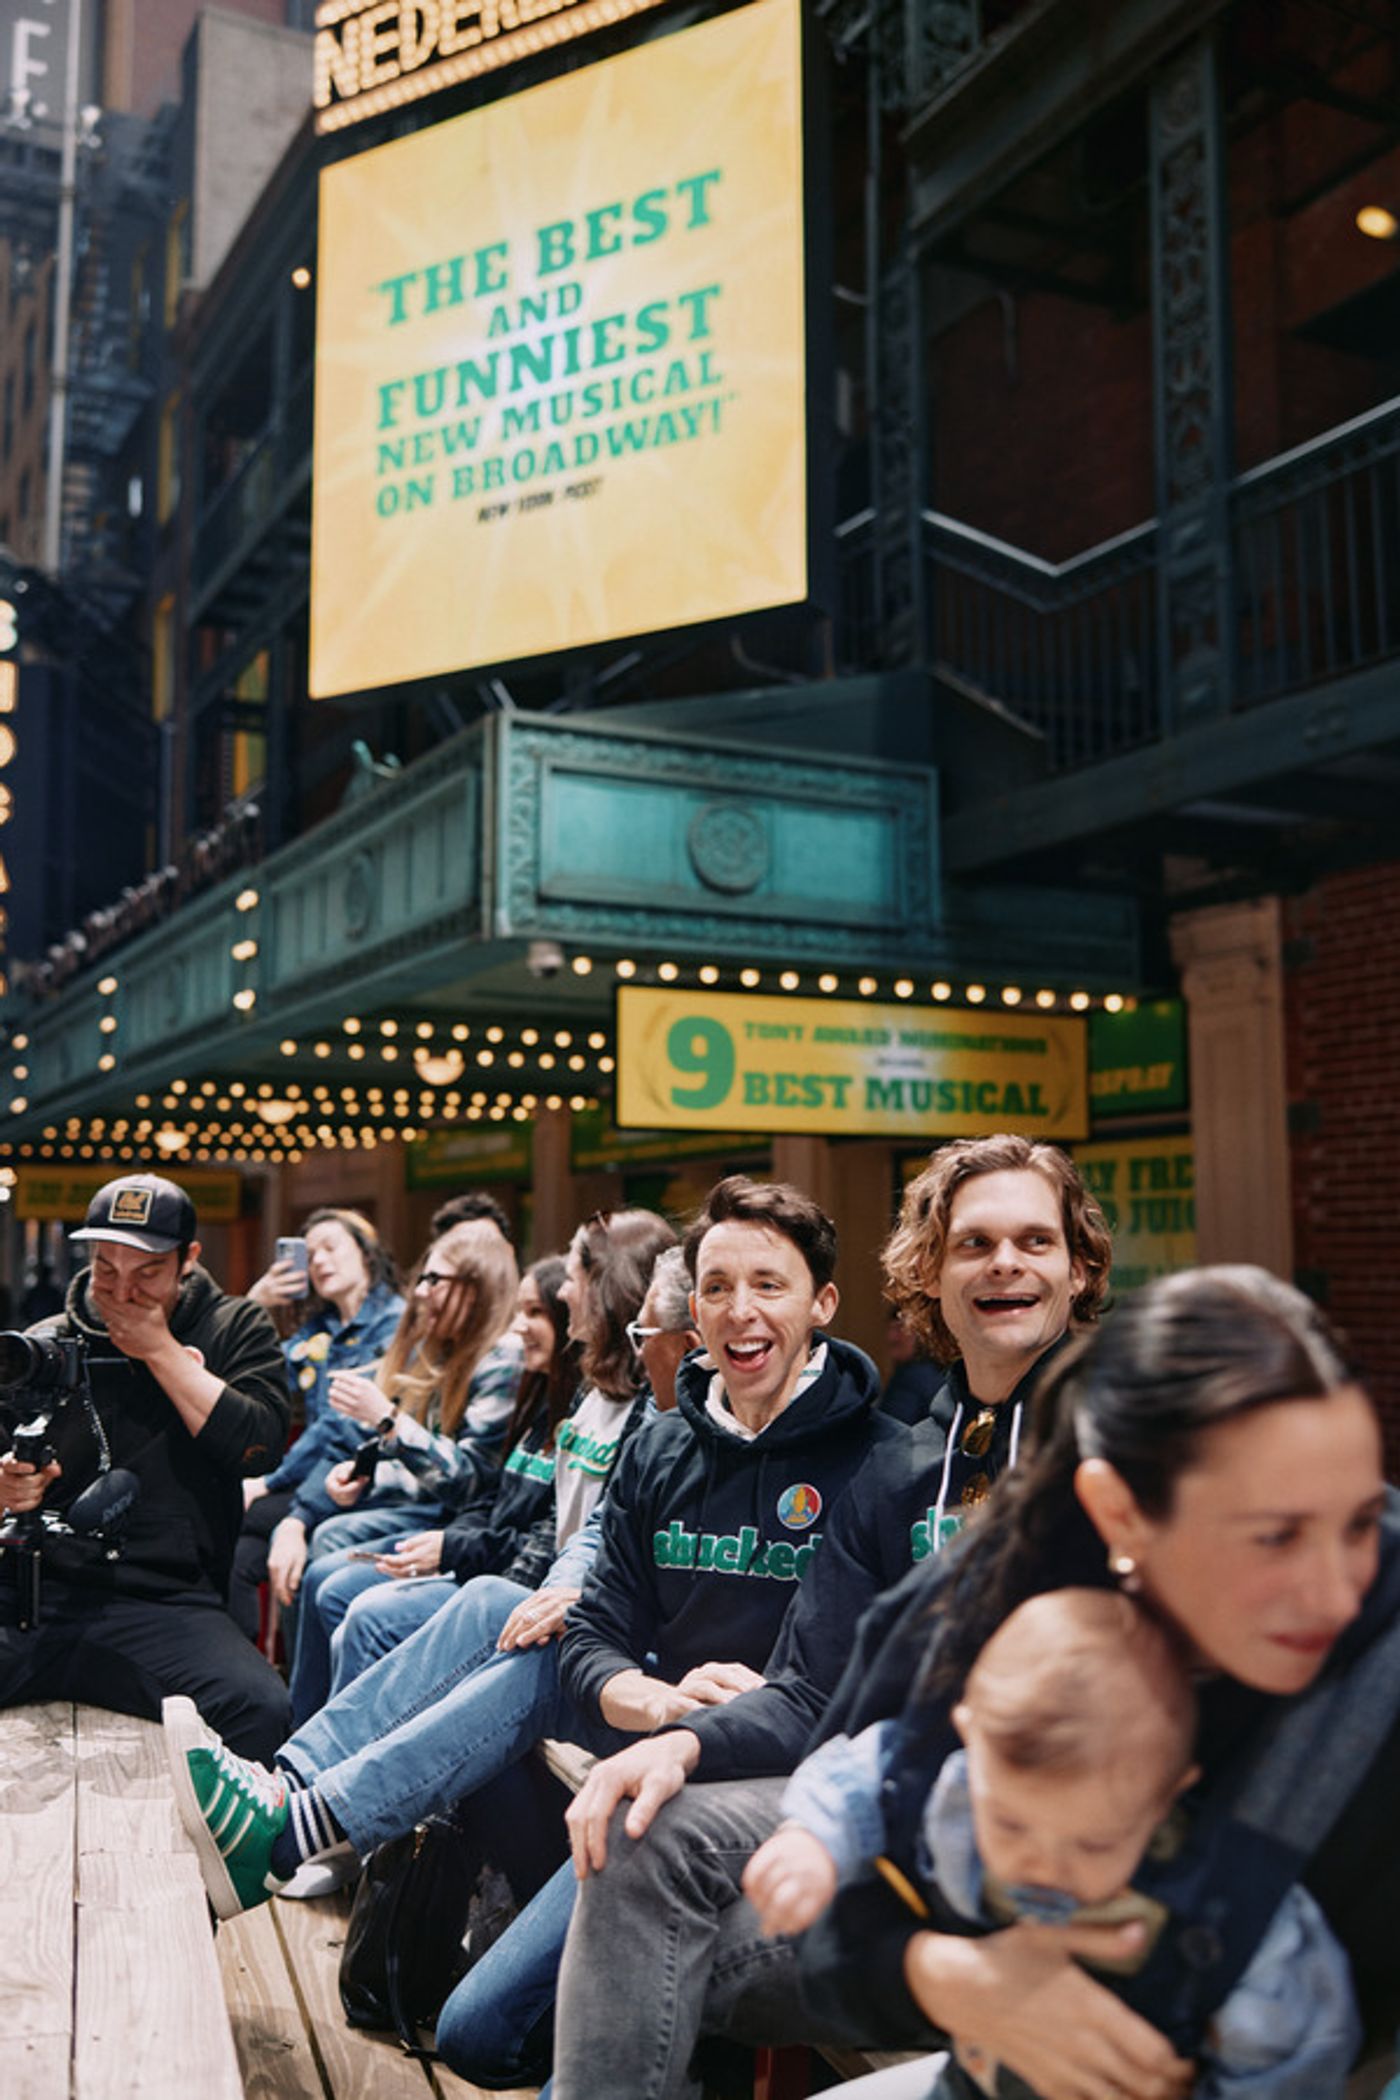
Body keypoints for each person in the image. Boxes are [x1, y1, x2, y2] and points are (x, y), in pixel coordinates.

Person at [554, 1266, 1399, 2100]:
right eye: (1273, 1537)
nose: (1336, 1591)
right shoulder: (1004, 1590)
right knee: (656, 1866)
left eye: (1361, 1521)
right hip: (992, 1997)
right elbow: (867, 1795)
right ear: (1118, 1516)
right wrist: (956, 1976)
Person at [549, 1135, 1112, 2097]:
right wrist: (683, 1741)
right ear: (930, 1274)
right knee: (643, 1834)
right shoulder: (904, 1467)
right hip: (901, 1822)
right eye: (973, 1244)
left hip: (1066, 1862)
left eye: (1034, 1241)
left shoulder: (1128, 1438)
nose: (1005, 1264)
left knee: (649, 1949)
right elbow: (818, 1687)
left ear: (1079, 1268)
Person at [161, 1206, 677, 1915]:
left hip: (616, 1651)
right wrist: (304, 1501)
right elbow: (564, 1529)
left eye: (570, 1280)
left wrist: (466, 1546)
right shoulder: (593, 1390)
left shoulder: (634, 1400)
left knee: (370, 1599)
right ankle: (290, 1791)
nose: (554, 1300)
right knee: (378, 1581)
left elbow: (490, 1498)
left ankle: (308, 1829)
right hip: (547, 1598)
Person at [747, 1587, 1361, 2099]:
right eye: (1010, 1825)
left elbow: (1299, 2045)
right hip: (977, 2071)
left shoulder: (1224, 1903)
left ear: (1170, 1798)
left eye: (1093, 1845)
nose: (1042, 1866)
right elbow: (865, 1772)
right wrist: (810, 1841)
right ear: (968, 1741)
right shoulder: (959, 1782)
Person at [0, 1173, 291, 1758]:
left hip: (166, 1600)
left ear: (189, 1259)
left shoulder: (233, 1328)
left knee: (261, 1709)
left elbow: (259, 1448)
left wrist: (159, 1351)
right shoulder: (48, 1341)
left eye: (147, 1273)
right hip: (39, 1588)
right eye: (107, 1268)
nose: (122, 1292)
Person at [277, 1218, 522, 1722]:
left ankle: (314, 1749)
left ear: (476, 1287)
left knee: (331, 1572)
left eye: (437, 1280)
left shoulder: (502, 1358)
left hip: (464, 1531)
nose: (422, 1293)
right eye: (424, 1279)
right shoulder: (444, 1349)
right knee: (317, 1551)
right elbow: (364, 1441)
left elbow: (469, 1480)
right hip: (431, 1512)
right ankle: (298, 1733)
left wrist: (386, 1422)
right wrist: (361, 1473)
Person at [229, 1208, 403, 1642]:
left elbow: (340, 1427)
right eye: (310, 1253)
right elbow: (256, 1380)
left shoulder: (394, 1323)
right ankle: (246, 1683)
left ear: (366, 1253)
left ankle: (291, 1690)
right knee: (235, 1550)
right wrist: (255, 1304)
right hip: (312, 1478)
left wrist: (270, 1482)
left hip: (364, 1480)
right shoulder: (320, 1328)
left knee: (249, 1523)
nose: (318, 1261)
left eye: (331, 1247)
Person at [880, 1305, 942, 1426]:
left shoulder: (912, 1378)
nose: (892, 1337)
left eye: (900, 1328)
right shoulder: (941, 1375)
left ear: (921, 1334)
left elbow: (891, 1430)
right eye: (890, 1329)